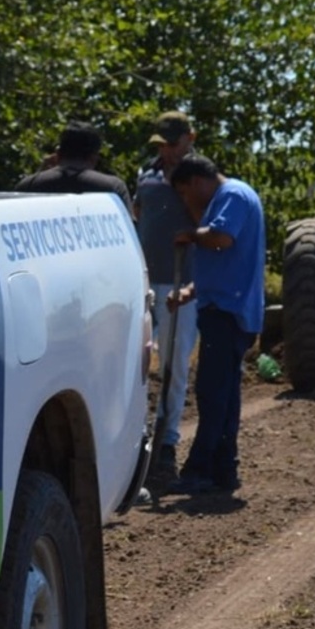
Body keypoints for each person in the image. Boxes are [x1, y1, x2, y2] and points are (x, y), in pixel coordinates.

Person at [166, 154, 265, 495]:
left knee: (212, 393)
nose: (185, 200)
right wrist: (191, 291)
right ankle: (224, 468)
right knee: (224, 395)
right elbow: (224, 264)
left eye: (183, 192)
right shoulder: (231, 197)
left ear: (196, 181)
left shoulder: (232, 196)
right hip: (226, 308)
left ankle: (200, 469)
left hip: (227, 312)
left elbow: (222, 239)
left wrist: (189, 235)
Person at [133, 111, 199, 477]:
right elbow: (139, 215)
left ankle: (168, 441)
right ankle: (138, 438)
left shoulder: (198, 179)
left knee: (174, 365)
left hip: (180, 284)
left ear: (190, 138)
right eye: (162, 145)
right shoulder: (147, 173)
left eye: (173, 144)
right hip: (146, 280)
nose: (168, 152)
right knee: (140, 364)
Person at [15, 120, 132, 213]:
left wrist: (39, 174)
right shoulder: (112, 188)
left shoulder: (27, 186)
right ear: (94, 158)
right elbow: (130, 233)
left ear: (58, 154)